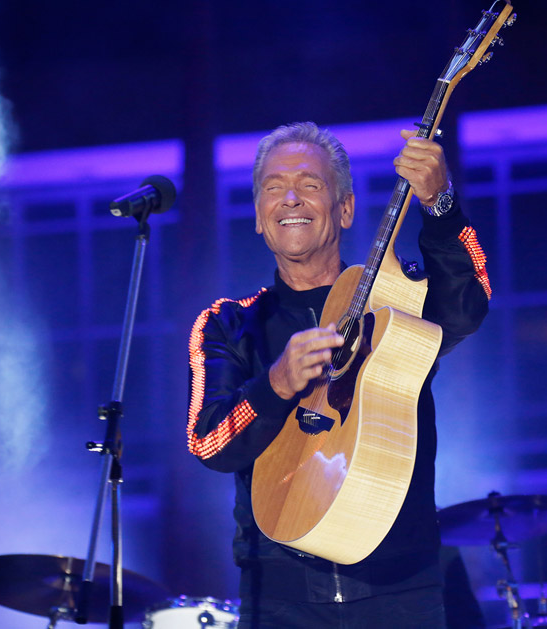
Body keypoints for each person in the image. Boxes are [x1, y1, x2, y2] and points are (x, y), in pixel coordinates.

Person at [186, 121, 491, 628]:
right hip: (279, 601)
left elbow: (470, 303)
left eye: (309, 184)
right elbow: (209, 443)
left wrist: (439, 205)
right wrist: (276, 384)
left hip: (403, 591)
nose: (289, 199)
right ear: (260, 218)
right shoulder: (228, 324)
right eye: (273, 187)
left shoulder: (395, 304)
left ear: (345, 208)